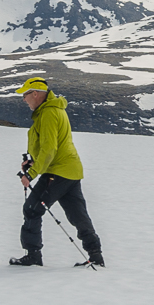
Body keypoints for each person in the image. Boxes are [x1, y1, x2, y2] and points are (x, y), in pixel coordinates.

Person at [11, 77, 104, 268]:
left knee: (32, 209)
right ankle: (96, 256)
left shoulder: (48, 113)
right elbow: (52, 147)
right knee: (78, 215)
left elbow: (50, 149)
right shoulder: (54, 109)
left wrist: (31, 174)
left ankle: (33, 256)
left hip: (58, 171)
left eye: (25, 95)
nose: (24, 99)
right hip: (70, 170)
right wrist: (33, 162)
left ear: (35, 94)